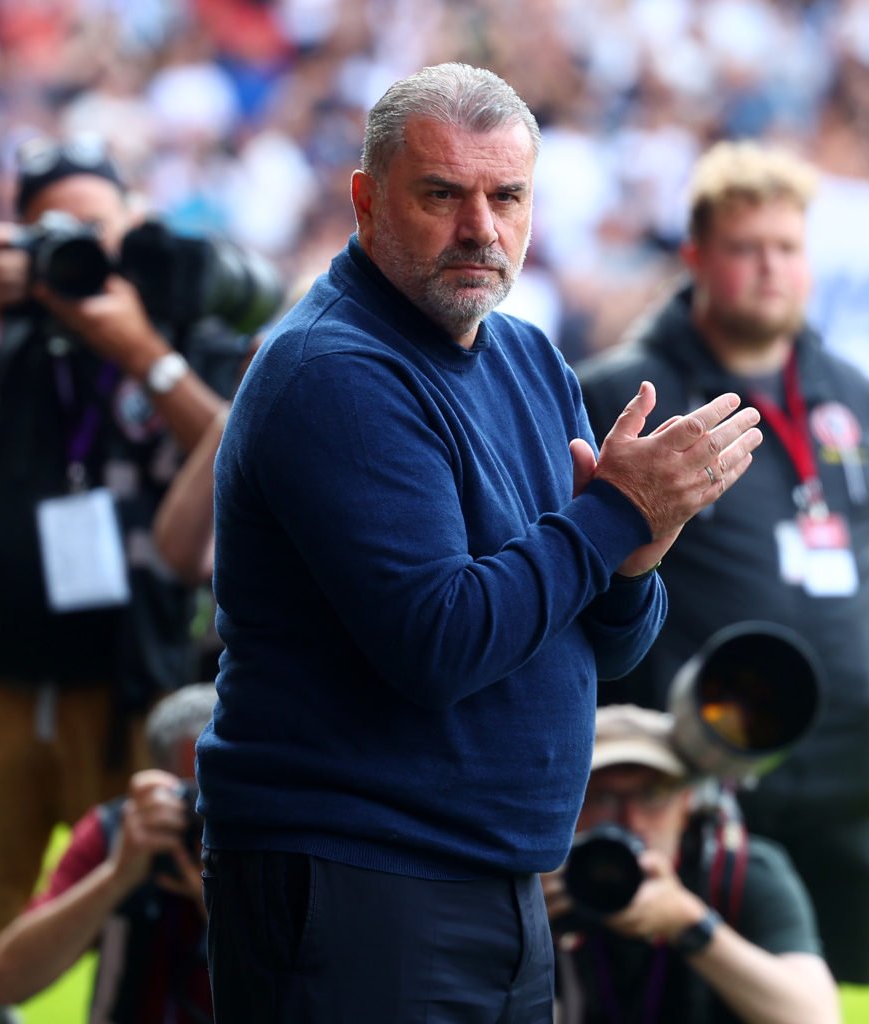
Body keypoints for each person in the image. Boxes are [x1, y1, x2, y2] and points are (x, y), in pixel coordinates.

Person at [196, 62, 764, 1023]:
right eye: (441, 195)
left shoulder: (526, 356)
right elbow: (440, 642)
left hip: (498, 878)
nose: (481, 229)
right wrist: (617, 515)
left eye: (507, 196)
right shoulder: (335, 371)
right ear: (366, 202)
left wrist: (637, 552)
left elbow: (611, 646)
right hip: (354, 878)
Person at [0, 135, 249, 1024]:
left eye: (94, 230)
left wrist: (137, 349)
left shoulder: (181, 329)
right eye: (48, 236)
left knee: (159, 904)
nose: (74, 253)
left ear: (133, 232)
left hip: (137, 673)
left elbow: (237, 461)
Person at [575, 141, 869, 985]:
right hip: (688, 781)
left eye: (787, 248)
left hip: (836, 777)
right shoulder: (626, 393)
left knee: (803, 997)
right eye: (746, 248)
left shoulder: (850, 394)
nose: (770, 269)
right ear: (696, 259)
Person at [545, 704, 840, 1024]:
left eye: (653, 794)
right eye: (603, 797)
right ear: (568, 804)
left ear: (688, 802)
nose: (632, 821)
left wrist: (690, 924)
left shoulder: (739, 870)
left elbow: (814, 1017)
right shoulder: (541, 885)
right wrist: (530, 932)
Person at [0, 683, 216, 1023]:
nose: (202, 814)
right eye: (188, 794)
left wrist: (222, 907)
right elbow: (6, 982)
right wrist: (116, 876)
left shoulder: (286, 845)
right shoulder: (119, 833)